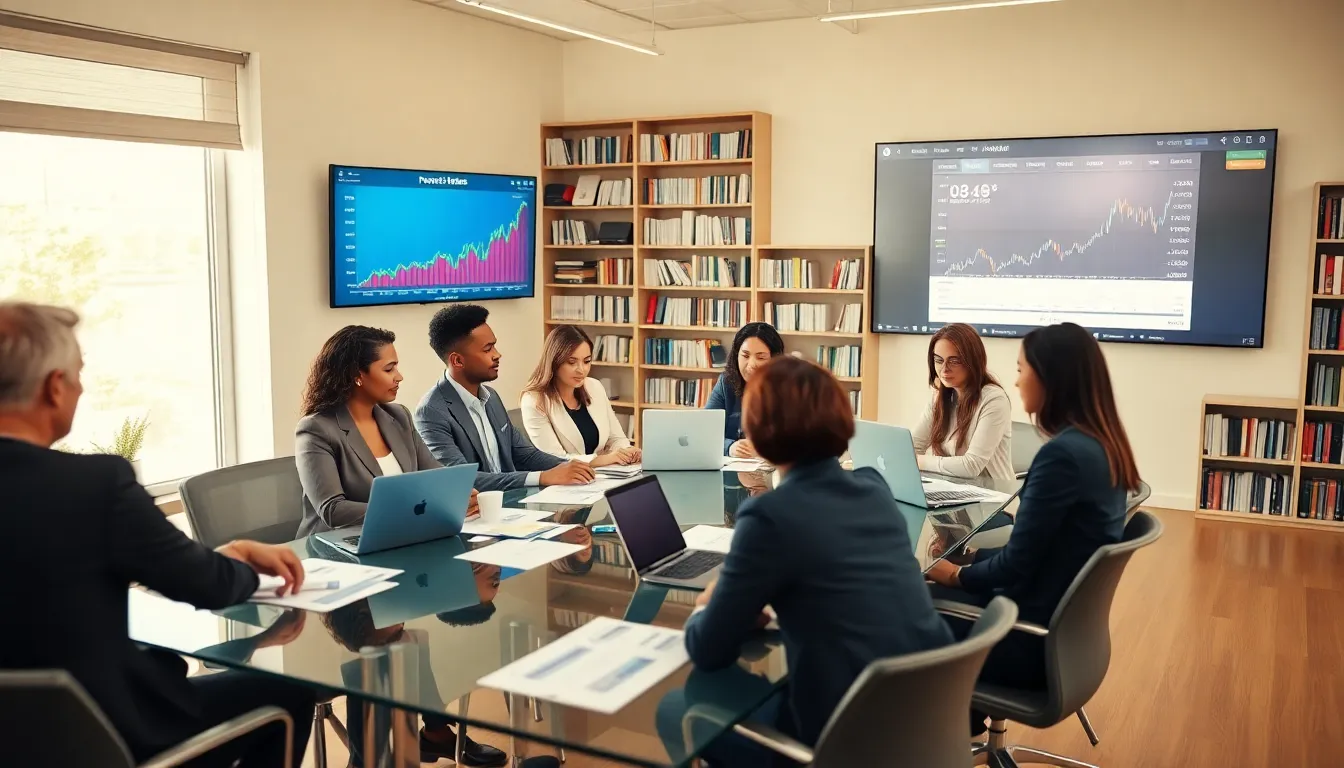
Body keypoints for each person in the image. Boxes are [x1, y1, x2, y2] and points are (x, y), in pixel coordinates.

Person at [0, 301, 315, 768]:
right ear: (54, 387)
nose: (82, 387)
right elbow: (205, 586)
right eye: (78, 374)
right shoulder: (95, 485)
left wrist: (213, 556)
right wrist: (239, 567)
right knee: (288, 694)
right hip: (106, 734)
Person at [684, 356, 954, 765]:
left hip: (840, 738)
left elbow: (708, 648)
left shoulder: (767, 516)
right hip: (924, 717)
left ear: (757, 429)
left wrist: (706, 607)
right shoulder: (874, 488)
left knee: (682, 707)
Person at [925, 322, 1141, 734]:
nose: (1017, 379)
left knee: (906, 604)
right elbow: (1041, 552)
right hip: (1061, 636)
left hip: (1023, 639)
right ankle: (956, 731)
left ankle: (926, 742)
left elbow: (1016, 566)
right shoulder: (1102, 445)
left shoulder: (1062, 458)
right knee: (930, 590)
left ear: (1050, 377)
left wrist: (957, 574)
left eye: (1023, 368)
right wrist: (972, 557)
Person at [294, 325, 478, 539]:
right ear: (356, 374)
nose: (399, 377)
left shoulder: (399, 416)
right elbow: (332, 510)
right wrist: (412, 510)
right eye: (389, 369)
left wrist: (457, 493)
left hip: (398, 537)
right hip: (336, 549)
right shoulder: (316, 429)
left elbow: (434, 475)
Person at [415, 304, 594, 491]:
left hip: (512, 505)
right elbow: (463, 479)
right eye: (487, 349)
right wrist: (543, 477)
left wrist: (576, 467)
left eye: (494, 346)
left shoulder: (491, 397)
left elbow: (525, 455)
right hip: (477, 514)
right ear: (457, 361)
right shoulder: (431, 412)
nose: (497, 354)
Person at [520, 325, 640, 466]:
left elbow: (616, 438)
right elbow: (555, 460)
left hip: (604, 477)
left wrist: (627, 452)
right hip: (565, 482)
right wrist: (607, 459)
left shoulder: (594, 386)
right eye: (572, 362)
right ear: (554, 362)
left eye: (587, 361)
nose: (581, 370)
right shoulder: (534, 401)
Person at [912, 323, 1014, 480]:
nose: (944, 369)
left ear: (972, 361)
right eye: (938, 360)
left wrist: (922, 462)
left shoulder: (994, 399)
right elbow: (912, 448)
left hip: (992, 497)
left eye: (954, 361)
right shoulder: (940, 396)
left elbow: (971, 465)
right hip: (951, 488)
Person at [705, 321, 784, 457]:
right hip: (734, 468)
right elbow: (704, 432)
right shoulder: (726, 382)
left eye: (761, 357)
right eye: (745, 356)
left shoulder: (788, 387)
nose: (751, 364)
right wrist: (730, 447)